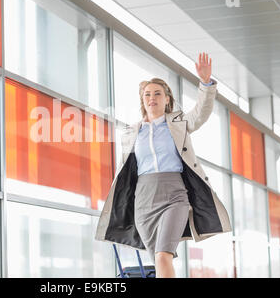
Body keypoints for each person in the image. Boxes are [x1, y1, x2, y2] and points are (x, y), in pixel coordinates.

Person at [95, 52, 232, 278]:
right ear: (143, 100)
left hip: (175, 195)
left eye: (157, 93)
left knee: (162, 255)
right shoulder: (132, 133)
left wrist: (206, 83)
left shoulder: (177, 124)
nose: (152, 98)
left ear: (167, 99)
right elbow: (127, 172)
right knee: (158, 260)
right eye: (147, 94)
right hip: (144, 200)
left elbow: (201, 112)